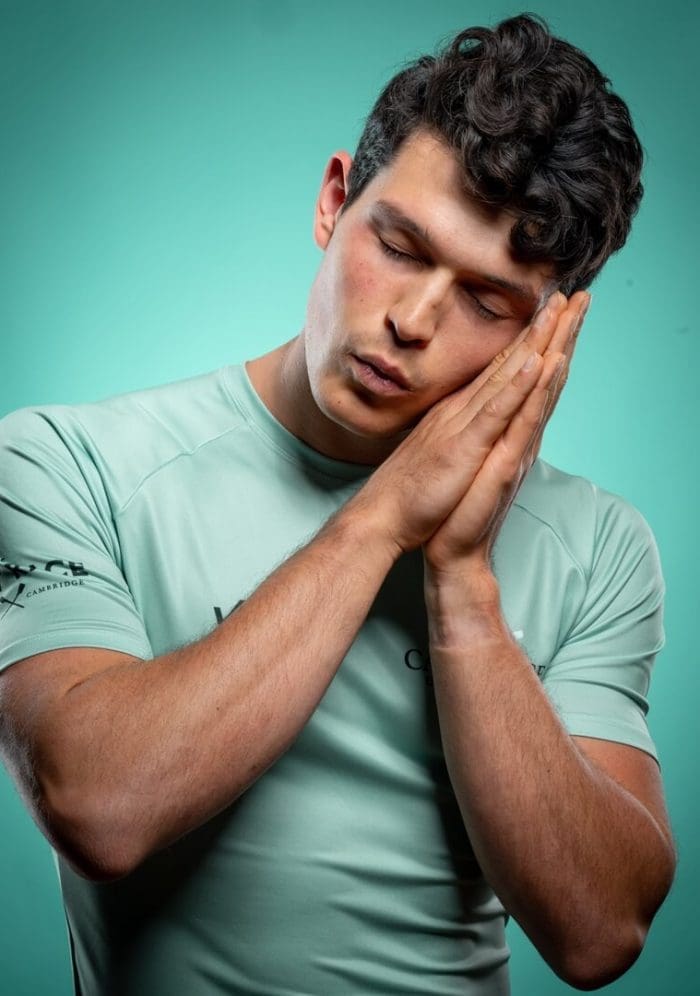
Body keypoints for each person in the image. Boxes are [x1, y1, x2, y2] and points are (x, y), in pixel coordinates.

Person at [0, 13, 675, 996]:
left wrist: (461, 582)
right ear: (333, 201)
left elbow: (599, 933)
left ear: (546, 336)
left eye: (486, 303)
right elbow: (100, 807)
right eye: (399, 246)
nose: (411, 320)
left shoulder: (600, 544)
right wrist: (381, 516)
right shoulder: (67, 460)